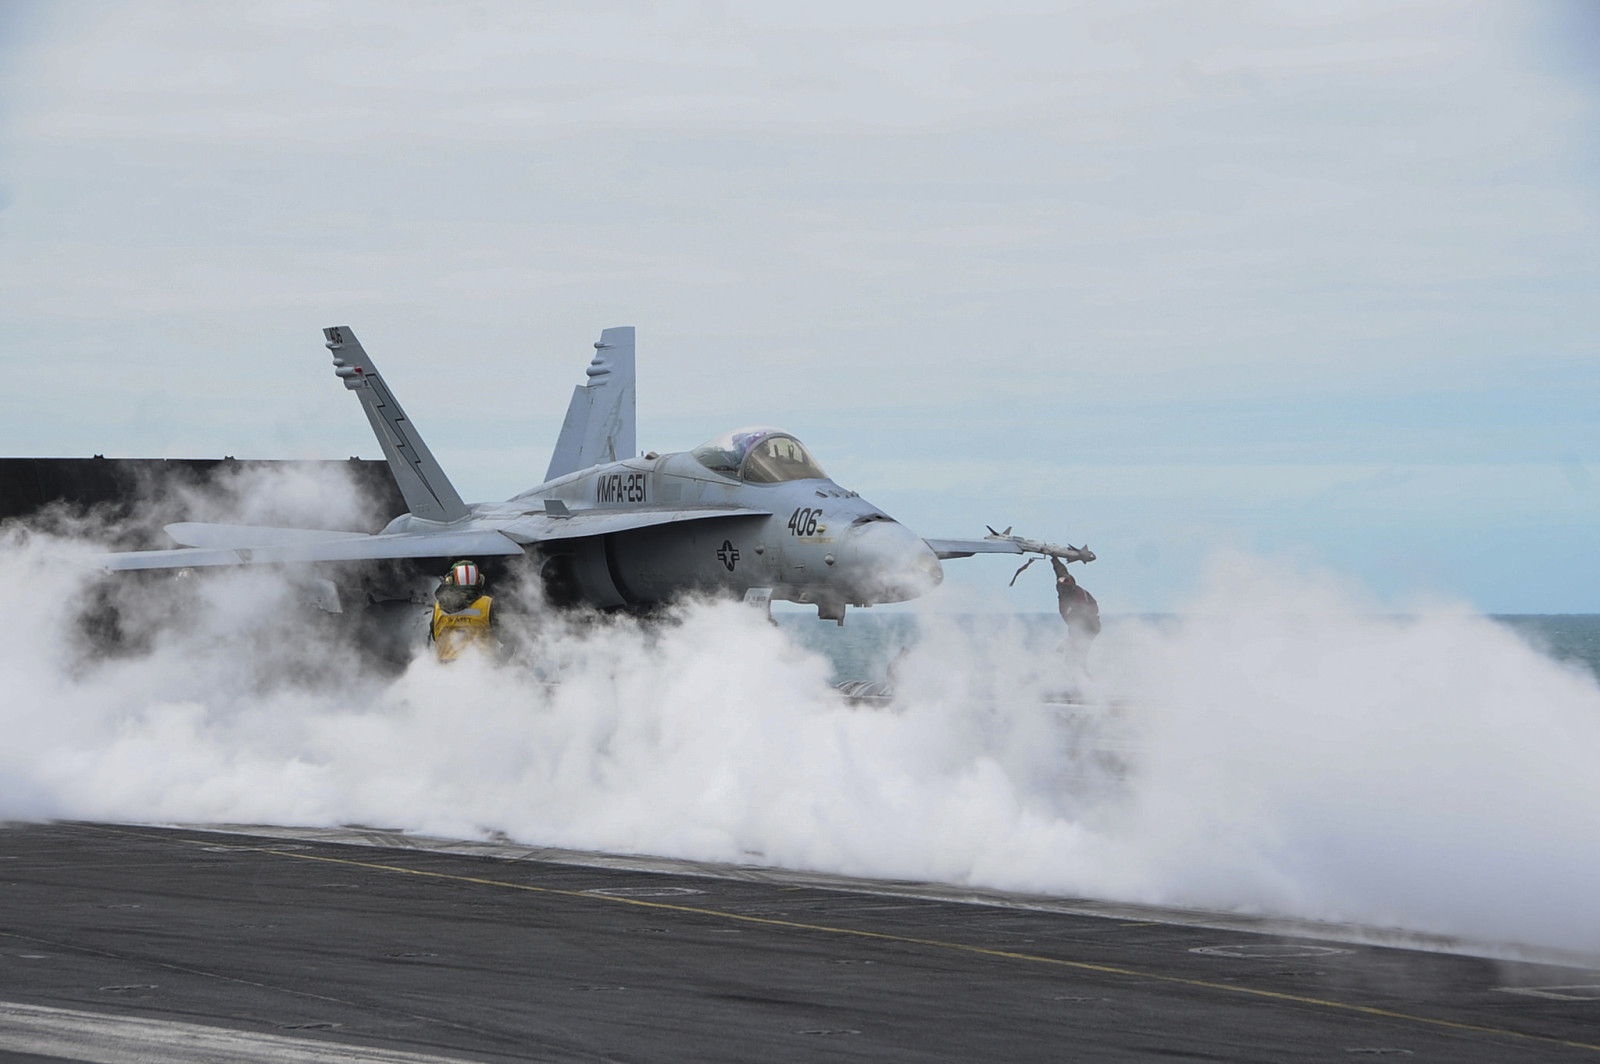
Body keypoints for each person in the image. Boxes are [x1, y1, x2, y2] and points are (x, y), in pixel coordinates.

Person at [429, 559, 495, 662]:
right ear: (480, 580)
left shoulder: (438, 607)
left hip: (444, 670)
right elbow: (506, 635)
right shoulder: (487, 605)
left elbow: (434, 635)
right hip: (481, 668)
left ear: (449, 581)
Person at [1052, 555, 1100, 670]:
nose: (1062, 588)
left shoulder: (1078, 598)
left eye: (1064, 587)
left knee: (1077, 656)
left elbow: (1082, 624)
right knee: (1070, 656)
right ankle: (1075, 680)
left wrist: (1068, 641)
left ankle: (1083, 682)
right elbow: (1061, 571)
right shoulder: (1063, 585)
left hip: (1090, 627)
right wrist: (1054, 558)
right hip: (1077, 627)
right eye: (1060, 585)